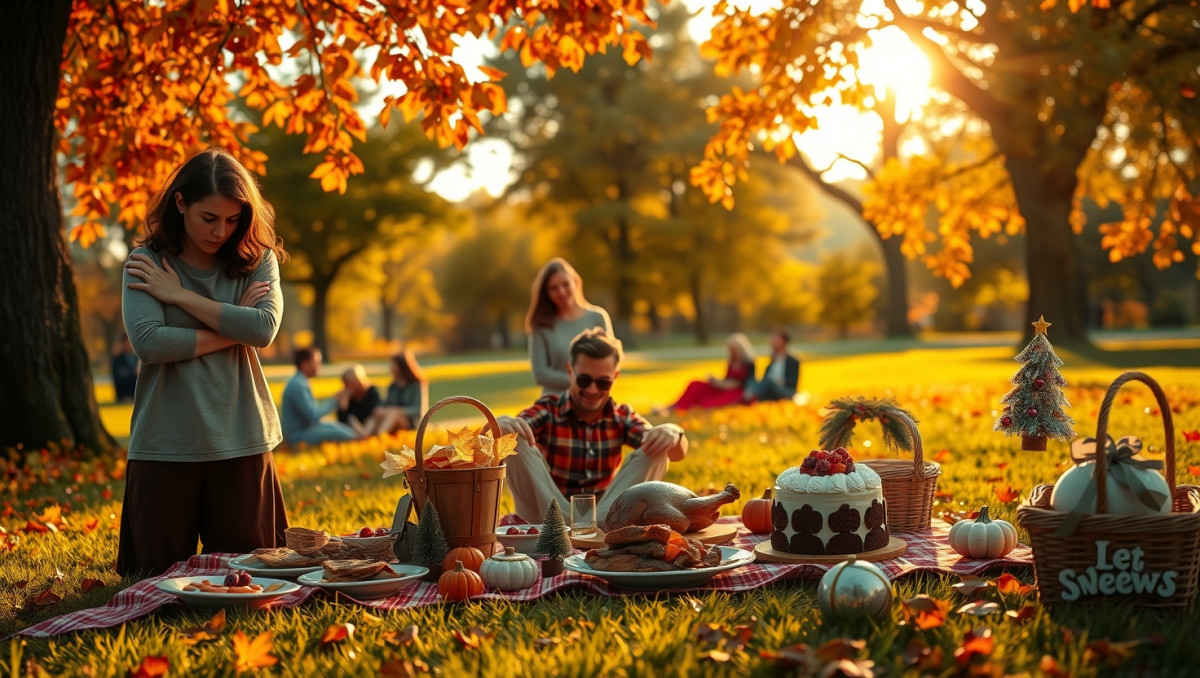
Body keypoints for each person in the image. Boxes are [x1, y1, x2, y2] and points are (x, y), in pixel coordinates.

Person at [117, 147, 290, 576]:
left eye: (233, 220)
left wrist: (178, 297)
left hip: (241, 436)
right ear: (180, 203)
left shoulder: (256, 260)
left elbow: (264, 329)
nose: (221, 231)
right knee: (154, 581)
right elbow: (150, 343)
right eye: (209, 218)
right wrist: (232, 328)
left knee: (252, 578)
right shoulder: (146, 264)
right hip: (165, 441)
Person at [498, 328, 688, 524]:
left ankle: (595, 527)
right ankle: (569, 529)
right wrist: (497, 426)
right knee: (513, 438)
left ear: (615, 377)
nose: (592, 390)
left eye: (603, 382)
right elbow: (491, 446)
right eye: (584, 380)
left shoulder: (620, 416)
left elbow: (677, 454)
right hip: (548, 517)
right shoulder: (548, 409)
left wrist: (673, 432)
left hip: (606, 515)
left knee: (657, 445)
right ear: (570, 371)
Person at [525, 257, 613, 394]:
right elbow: (541, 373)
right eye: (554, 288)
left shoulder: (598, 317)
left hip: (593, 398)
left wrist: (591, 385)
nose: (561, 291)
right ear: (546, 293)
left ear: (575, 282)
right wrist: (579, 381)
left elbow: (611, 362)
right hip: (554, 402)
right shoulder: (540, 325)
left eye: (565, 284)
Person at [661, 333, 757, 414]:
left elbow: (746, 384)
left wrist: (724, 384)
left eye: (734, 349)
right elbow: (726, 379)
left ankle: (681, 407)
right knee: (695, 384)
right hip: (723, 388)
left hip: (737, 393)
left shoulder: (749, 363)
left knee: (709, 403)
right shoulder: (731, 362)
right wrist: (716, 381)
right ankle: (675, 406)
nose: (733, 352)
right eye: (731, 349)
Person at [280, 347, 357, 446]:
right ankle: (357, 438)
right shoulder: (298, 385)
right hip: (297, 436)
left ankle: (356, 436)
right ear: (305, 364)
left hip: (307, 429)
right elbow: (313, 415)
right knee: (340, 433)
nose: (320, 365)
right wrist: (335, 400)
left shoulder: (300, 381)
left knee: (334, 426)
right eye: (317, 362)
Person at [744, 328, 801, 403]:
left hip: (786, 392)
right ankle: (749, 395)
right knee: (752, 381)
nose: (772, 342)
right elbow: (763, 381)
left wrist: (778, 381)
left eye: (776, 340)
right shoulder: (771, 362)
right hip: (771, 391)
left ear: (784, 342)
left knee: (769, 381)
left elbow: (793, 383)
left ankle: (750, 396)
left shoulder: (793, 362)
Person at [377, 350, 428, 432]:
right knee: (377, 414)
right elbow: (387, 404)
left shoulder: (416, 384)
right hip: (391, 417)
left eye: (393, 365)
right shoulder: (393, 386)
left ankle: (380, 439)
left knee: (393, 415)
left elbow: (417, 410)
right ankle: (365, 437)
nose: (391, 368)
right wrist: (380, 409)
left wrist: (397, 410)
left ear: (402, 366)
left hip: (412, 423)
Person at [336, 364, 384, 436]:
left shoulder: (371, 391)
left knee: (372, 418)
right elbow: (342, 418)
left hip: (370, 422)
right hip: (356, 426)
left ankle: (365, 434)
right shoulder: (347, 396)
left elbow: (376, 409)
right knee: (351, 419)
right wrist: (344, 403)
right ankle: (363, 434)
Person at [111, 334, 140, 402]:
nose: (129, 345)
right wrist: (134, 372)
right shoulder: (117, 360)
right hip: (123, 396)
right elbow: (118, 379)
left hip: (137, 396)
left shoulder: (139, 359)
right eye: (127, 342)